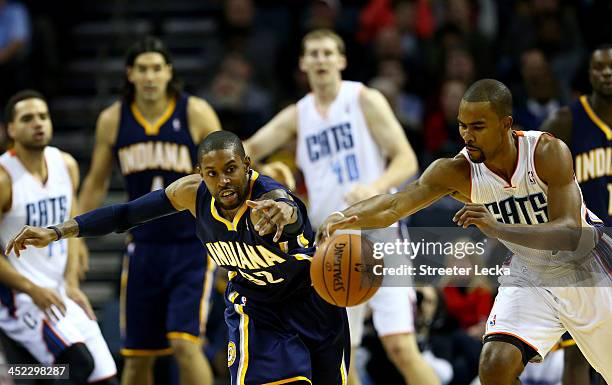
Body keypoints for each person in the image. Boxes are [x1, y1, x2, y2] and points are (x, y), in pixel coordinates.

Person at [317, 79, 612, 384]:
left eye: (478, 127)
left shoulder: (546, 152)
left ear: (505, 124)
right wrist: (343, 216)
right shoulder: (458, 170)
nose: (467, 136)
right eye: (462, 126)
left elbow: (570, 233)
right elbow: (394, 206)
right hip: (531, 273)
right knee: (494, 367)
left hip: (586, 268)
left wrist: (499, 228)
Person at [5, 130, 350, 385]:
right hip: (257, 309)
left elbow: (289, 210)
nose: (223, 181)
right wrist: (57, 231)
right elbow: (125, 214)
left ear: (247, 165)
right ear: (200, 172)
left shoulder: (271, 198)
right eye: (212, 173)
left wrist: (283, 211)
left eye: (231, 169)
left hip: (314, 305)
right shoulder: (191, 194)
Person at [244, 28, 440, 385]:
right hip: (331, 240)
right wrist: (244, 174)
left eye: (327, 53)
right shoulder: (297, 114)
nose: (321, 59)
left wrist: (376, 187)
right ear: (303, 63)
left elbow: (406, 159)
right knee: (340, 355)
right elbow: (249, 150)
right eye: (313, 54)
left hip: (379, 231)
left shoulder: (364, 98)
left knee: (400, 346)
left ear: (342, 60)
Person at [77, 37, 220, 385]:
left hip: (192, 246)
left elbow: (227, 172)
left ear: (169, 72)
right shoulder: (113, 119)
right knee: (137, 357)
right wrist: (75, 233)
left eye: (157, 68)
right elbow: (96, 182)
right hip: (142, 248)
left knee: (185, 344)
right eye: (142, 69)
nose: (150, 76)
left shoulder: (194, 111)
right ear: (130, 74)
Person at [0, 90, 117, 384]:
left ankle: (17, 374)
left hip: (58, 291)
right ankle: (13, 373)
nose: (38, 123)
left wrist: (72, 283)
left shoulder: (65, 164)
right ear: (11, 129)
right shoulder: (4, 179)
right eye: (27, 118)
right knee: (75, 366)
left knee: (106, 376)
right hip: (20, 298)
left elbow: (72, 229)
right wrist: (32, 289)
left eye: (43, 116)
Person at [540, 43, 612, 385]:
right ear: (588, 74)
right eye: (599, 68)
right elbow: (533, 172)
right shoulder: (567, 120)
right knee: (577, 349)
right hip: (585, 248)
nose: (607, 74)